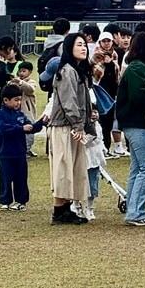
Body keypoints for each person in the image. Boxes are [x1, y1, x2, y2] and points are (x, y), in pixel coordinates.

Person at [46, 33, 92, 226]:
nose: (84, 48)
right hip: (64, 126)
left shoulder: (76, 70)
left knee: (72, 167)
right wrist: (78, 124)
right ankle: (59, 210)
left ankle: (65, 208)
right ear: (68, 48)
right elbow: (68, 102)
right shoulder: (67, 71)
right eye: (79, 45)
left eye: (85, 45)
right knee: (63, 168)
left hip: (72, 125)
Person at [117, 31, 145, 226]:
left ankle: (133, 208)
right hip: (137, 123)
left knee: (137, 167)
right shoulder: (138, 67)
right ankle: (136, 212)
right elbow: (138, 97)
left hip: (132, 123)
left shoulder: (137, 67)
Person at [0, 82, 45, 210]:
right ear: (6, 100)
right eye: (16, 100)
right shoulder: (0, 114)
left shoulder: (20, 115)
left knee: (21, 178)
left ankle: (21, 201)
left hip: (20, 153)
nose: (18, 103)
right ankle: (5, 201)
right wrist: (20, 128)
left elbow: (31, 128)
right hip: (5, 154)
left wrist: (41, 122)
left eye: (20, 100)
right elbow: (1, 129)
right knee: (5, 178)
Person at [92, 32, 123, 156]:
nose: (106, 43)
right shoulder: (95, 55)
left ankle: (107, 148)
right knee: (101, 120)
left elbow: (116, 74)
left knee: (109, 121)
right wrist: (105, 62)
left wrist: (110, 62)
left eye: (109, 41)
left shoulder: (114, 55)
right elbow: (95, 74)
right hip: (99, 91)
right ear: (100, 42)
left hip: (111, 91)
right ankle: (102, 148)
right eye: (104, 41)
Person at [15, 61, 39, 156]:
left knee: (29, 130)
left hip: (28, 111)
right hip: (17, 111)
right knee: (19, 130)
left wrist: (21, 82)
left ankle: (27, 148)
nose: (21, 73)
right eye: (20, 71)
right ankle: (21, 149)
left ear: (30, 72)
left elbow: (30, 89)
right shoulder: (16, 82)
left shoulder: (31, 82)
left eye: (24, 71)